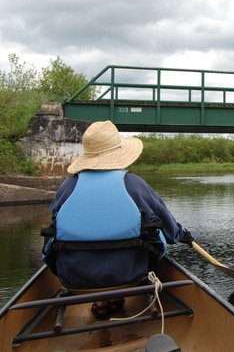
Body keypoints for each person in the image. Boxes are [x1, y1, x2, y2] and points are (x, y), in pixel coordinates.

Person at [42, 120, 193, 292]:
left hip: (73, 278)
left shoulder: (67, 186)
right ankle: (117, 298)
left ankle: (98, 301)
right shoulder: (134, 184)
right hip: (130, 275)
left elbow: (52, 229)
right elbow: (168, 228)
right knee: (157, 235)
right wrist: (182, 234)